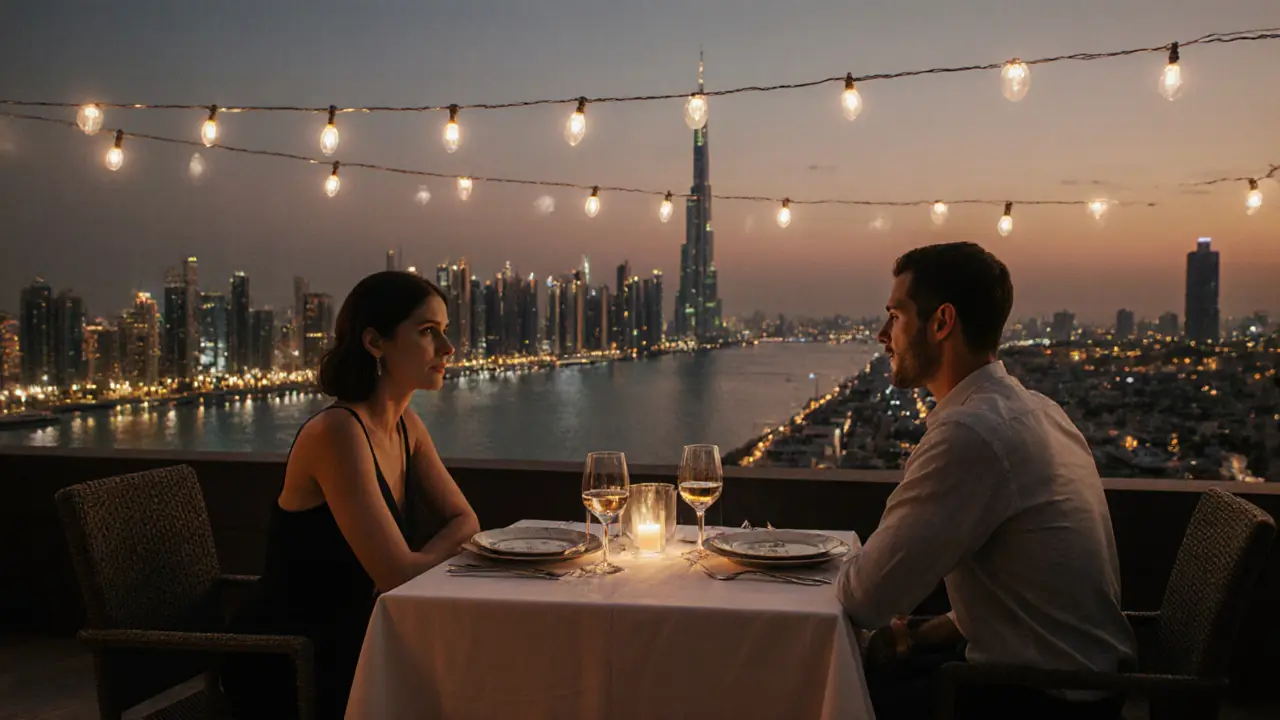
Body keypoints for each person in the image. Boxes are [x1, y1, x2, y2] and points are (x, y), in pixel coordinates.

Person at [837, 242, 1136, 719]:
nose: (881, 334)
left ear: (941, 323)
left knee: (820, 692)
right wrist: (921, 633)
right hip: (1087, 684)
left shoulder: (971, 434)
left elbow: (864, 598)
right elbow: (1030, 592)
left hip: (1036, 698)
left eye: (895, 316)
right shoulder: (1037, 411)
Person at [220, 271, 480, 719]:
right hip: (296, 657)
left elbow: (467, 522)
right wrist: (440, 553)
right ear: (375, 342)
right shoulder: (338, 433)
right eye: (427, 332)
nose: (447, 348)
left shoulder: (405, 427)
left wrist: (425, 558)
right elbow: (399, 573)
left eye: (444, 330)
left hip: (363, 638)